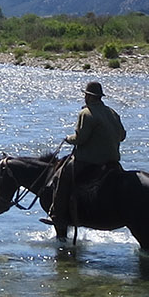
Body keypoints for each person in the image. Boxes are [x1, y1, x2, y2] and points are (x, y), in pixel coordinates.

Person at [43, 81, 125, 227]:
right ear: (100, 97)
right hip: (112, 160)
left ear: (88, 96)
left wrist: (68, 139)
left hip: (90, 160)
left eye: (86, 95)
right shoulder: (112, 112)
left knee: (61, 174)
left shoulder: (86, 113)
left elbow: (80, 139)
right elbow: (122, 136)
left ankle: (57, 213)